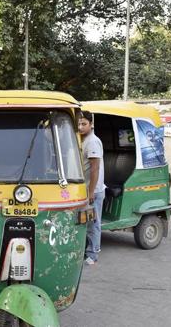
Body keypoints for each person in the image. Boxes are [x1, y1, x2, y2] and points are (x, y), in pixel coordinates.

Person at [78, 111, 105, 266]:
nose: (81, 127)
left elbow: (95, 168)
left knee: (93, 223)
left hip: (93, 190)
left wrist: (91, 192)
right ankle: (86, 251)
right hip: (85, 189)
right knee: (85, 223)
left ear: (91, 124)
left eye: (84, 124)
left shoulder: (93, 142)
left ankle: (93, 254)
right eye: (79, 124)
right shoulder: (82, 139)